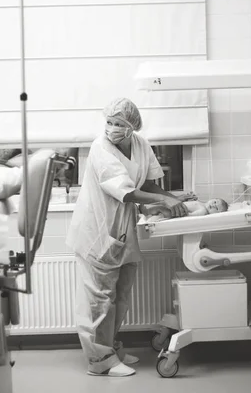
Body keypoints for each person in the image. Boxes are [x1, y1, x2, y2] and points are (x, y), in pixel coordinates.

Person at [66, 98, 190, 377]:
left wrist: (174, 199)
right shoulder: (100, 148)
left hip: (122, 228)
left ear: (132, 127)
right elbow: (125, 190)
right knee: (100, 298)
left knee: (120, 295)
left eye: (119, 124)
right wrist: (163, 200)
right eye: (109, 122)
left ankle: (111, 348)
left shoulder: (140, 145)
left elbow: (145, 181)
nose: (112, 128)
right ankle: (100, 362)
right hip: (98, 230)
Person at [140, 197, 229, 221]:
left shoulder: (203, 211)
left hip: (176, 212)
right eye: (214, 202)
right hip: (176, 207)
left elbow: (191, 216)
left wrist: (184, 214)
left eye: (216, 208)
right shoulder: (201, 203)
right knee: (161, 204)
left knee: (161, 208)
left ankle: (146, 211)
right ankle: (147, 209)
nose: (213, 205)